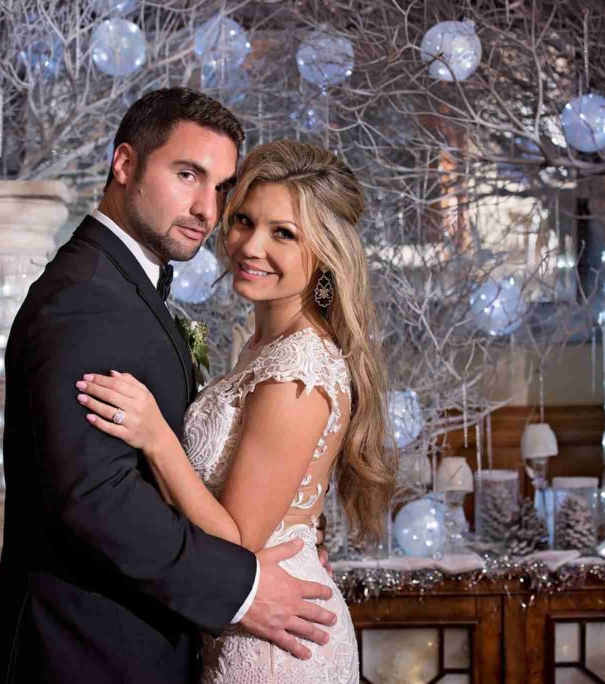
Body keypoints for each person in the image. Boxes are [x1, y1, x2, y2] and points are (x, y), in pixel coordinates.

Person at [0, 90, 340, 684]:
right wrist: (245, 586)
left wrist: (287, 536)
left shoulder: (128, 285)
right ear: (125, 164)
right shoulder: (86, 299)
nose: (208, 208)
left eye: (222, 188)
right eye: (187, 175)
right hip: (87, 652)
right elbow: (97, 498)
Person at [76, 139, 396, 682]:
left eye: (283, 234)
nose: (250, 245)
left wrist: (156, 437)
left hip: (275, 645)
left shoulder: (296, 368)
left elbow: (236, 540)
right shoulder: (261, 349)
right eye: (244, 220)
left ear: (325, 255)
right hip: (245, 620)